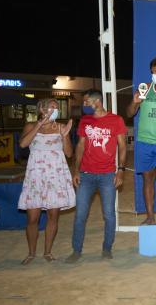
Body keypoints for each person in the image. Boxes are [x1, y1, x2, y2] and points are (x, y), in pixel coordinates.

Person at [66, 89, 127, 263]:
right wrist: (76, 171)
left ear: (97, 102)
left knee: (109, 214)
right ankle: (76, 250)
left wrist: (121, 170)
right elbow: (80, 147)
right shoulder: (85, 121)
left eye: (86, 102)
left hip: (107, 174)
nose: (83, 106)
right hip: (86, 175)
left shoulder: (116, 120)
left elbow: (122, 147)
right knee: (80, 215)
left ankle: (107, 248)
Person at [17, 98, 75, 264]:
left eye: (56, 108)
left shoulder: (61, 127)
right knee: (32, 218)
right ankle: (31, 253)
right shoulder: (30, 126)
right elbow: (22, 144)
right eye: (51, 107)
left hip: (55, 176)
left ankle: (48, 251)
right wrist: (38, 125)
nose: (55, 110)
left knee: (53, 216)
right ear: (41, 110)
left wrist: (64, 136)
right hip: (36, 177)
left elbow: (69, 154)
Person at [126, 56, 156, 225]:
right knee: (147, 179)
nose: (154, 75)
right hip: (145, 142)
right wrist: (134, 102)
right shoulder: (144, 89)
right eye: (153, 72)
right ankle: (149, 215)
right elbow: (129, 113)